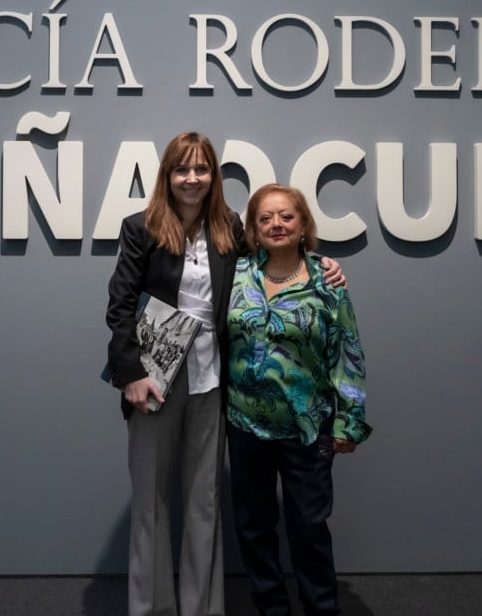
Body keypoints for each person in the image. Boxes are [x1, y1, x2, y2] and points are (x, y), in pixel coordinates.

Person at [106, 133, 344, 616]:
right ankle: (150, 610)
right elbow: (119, 307)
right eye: (182, 170)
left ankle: (202, 609)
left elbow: (271, 262)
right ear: (167, 176)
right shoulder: (141, 228)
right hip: (153, 381)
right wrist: (130, 373)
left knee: (205, 502)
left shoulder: (229, 228)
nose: (192, 179)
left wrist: (320, 264)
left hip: (213, 383)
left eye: (202, 169)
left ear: (214, 176)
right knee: (151, 503)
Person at [225, 184, 371, 616]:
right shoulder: (234, 274)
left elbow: (348, 352)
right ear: (252, 228)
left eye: (286, 216)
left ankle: (321, 608)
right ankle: (271, 608)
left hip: (308, 426)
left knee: (307, 527)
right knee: (253, 528)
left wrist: (351, 420)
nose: (276, 224)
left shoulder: (327, 280)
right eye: (265, 218)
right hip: (245, 424)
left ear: (304, 224)